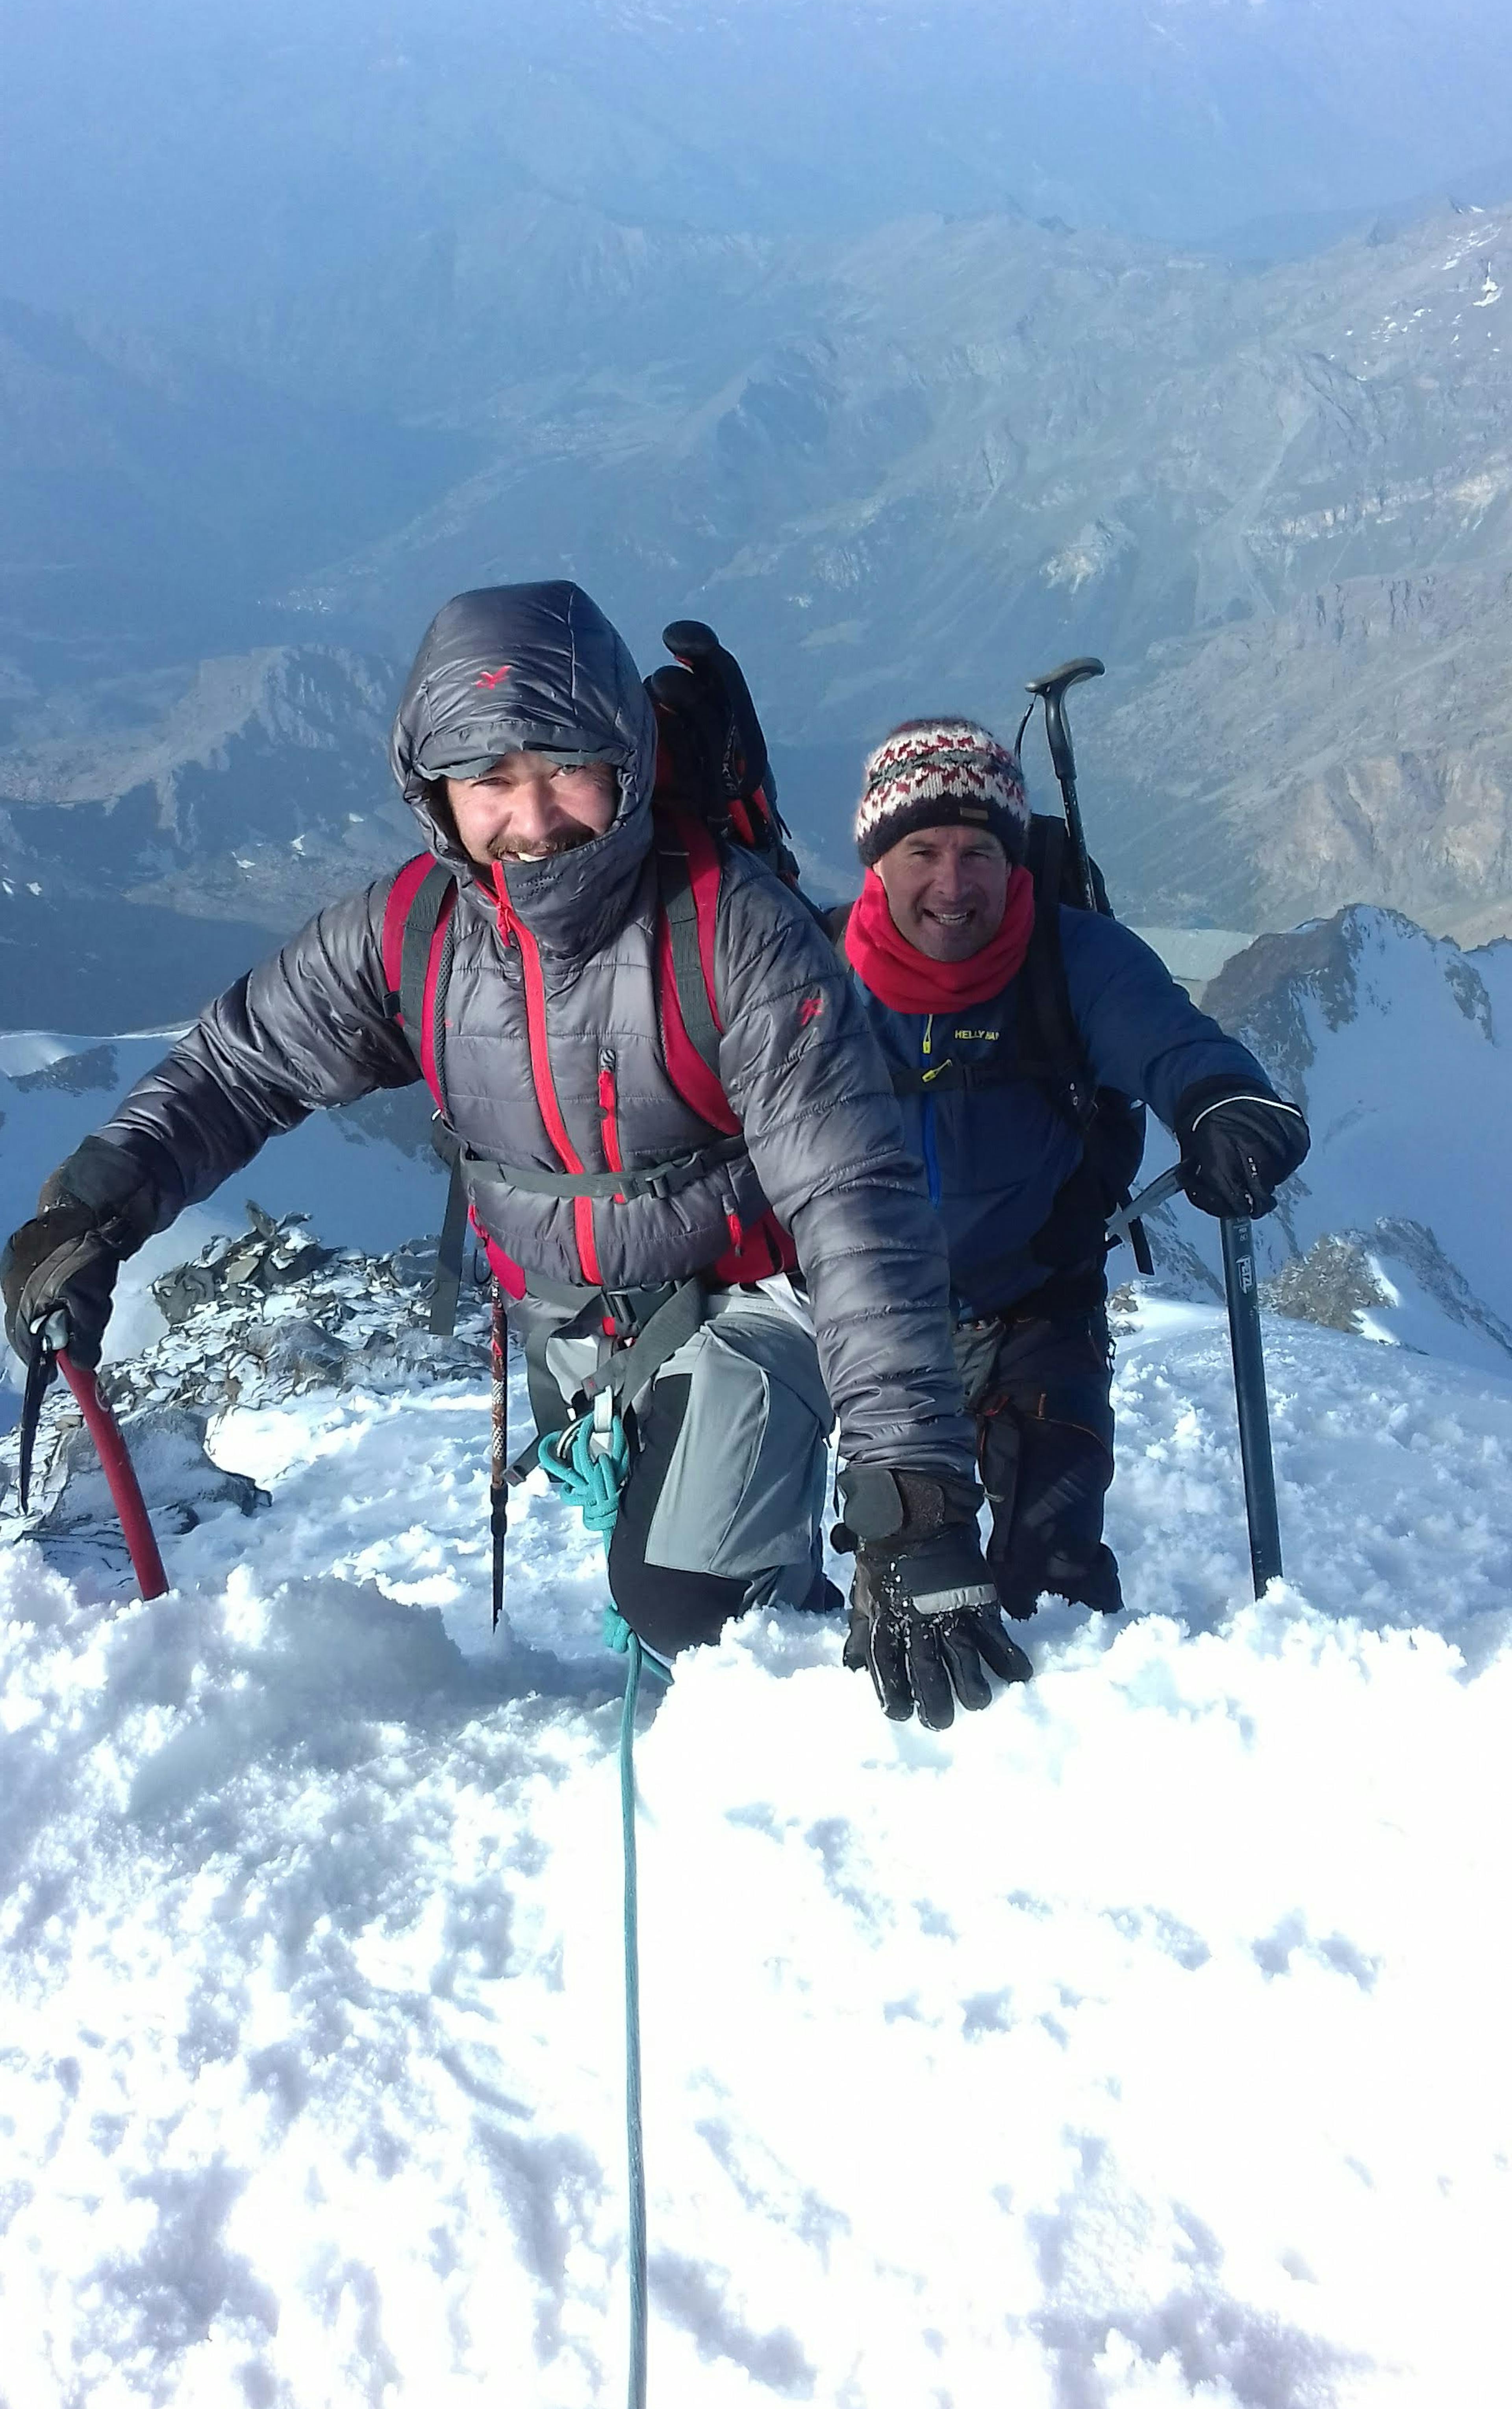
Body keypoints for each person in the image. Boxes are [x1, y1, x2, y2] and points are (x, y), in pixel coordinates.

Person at [2, 586, 1030, 1729]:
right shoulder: (411, 935)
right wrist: (96, 1206)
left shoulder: (736, 930)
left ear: (627, 761)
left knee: (686, 1601)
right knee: (667, 1569)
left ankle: (816, 1742)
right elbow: (242, 1066)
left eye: (564, 768)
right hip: (576, 1324)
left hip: (751, 1300)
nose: (532, 818)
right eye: (489, 780)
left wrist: (915, 1503)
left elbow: (855, 1202)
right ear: (434, 793)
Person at [837, 716, 1310, 1620]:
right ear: (876, 860)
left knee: (1049, 1583)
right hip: (865, 1325)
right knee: (899, 1591)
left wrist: (1223, 1103)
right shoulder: (813, 978)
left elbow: (1171, 1042)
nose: (951, 882)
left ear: (1014, 862)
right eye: (922, 848)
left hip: (1037, 1306)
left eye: (978, 851)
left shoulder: (1072, 957)